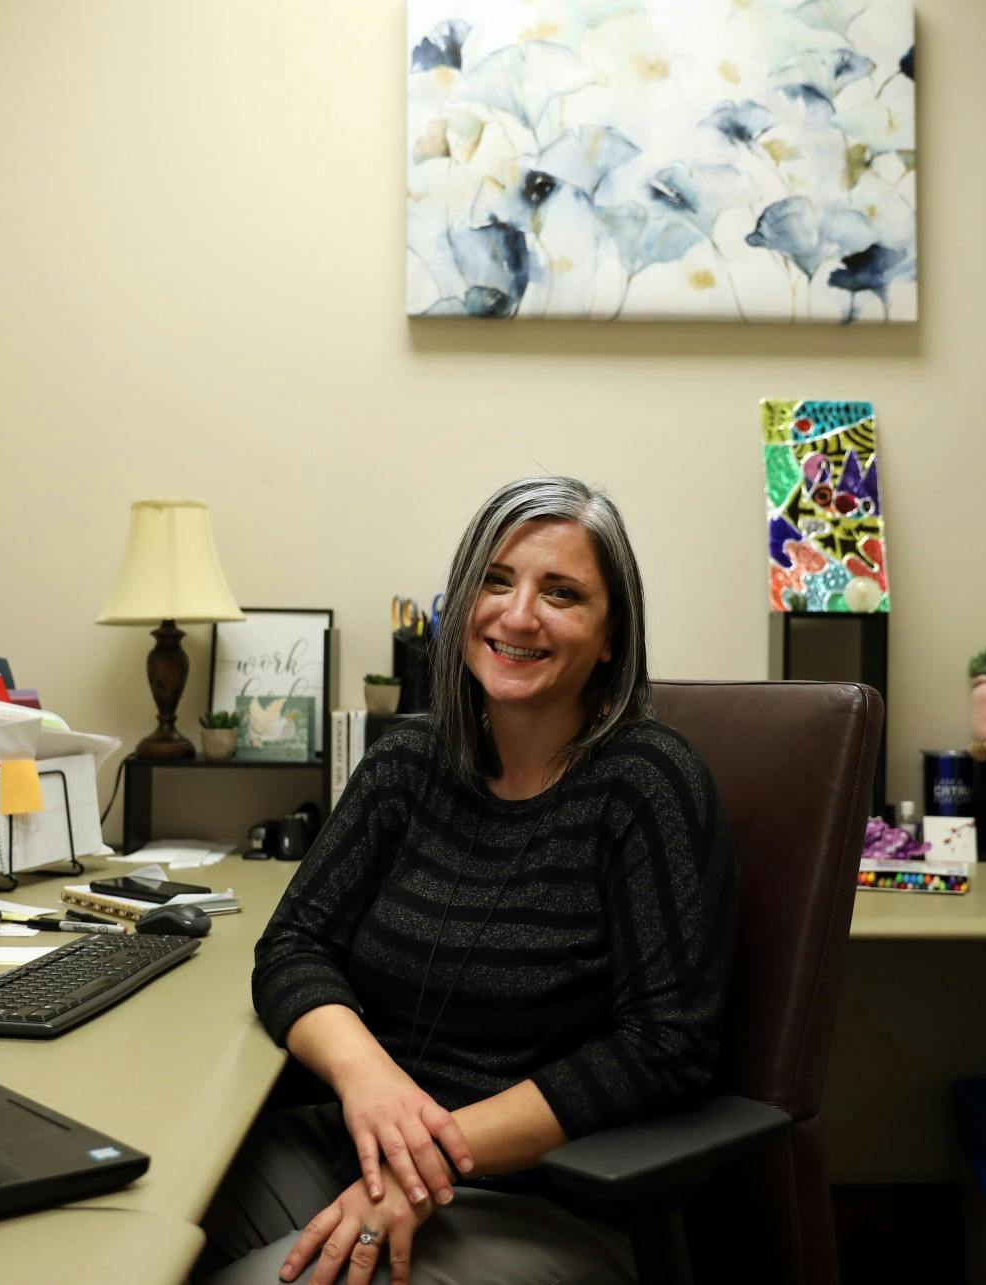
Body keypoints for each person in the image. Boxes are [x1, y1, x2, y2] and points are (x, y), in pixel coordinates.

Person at [200, 477, 737, 1285]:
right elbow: (293, 946)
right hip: (360, 1143)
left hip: (539, 1194)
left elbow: (664, 1048)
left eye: (561, 592)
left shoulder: (647, 782)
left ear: (611, 635)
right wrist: (369, 1078)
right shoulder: (408, 761)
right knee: (132, 1232)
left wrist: (428, 1156)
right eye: (495, 579)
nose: (518, 615)